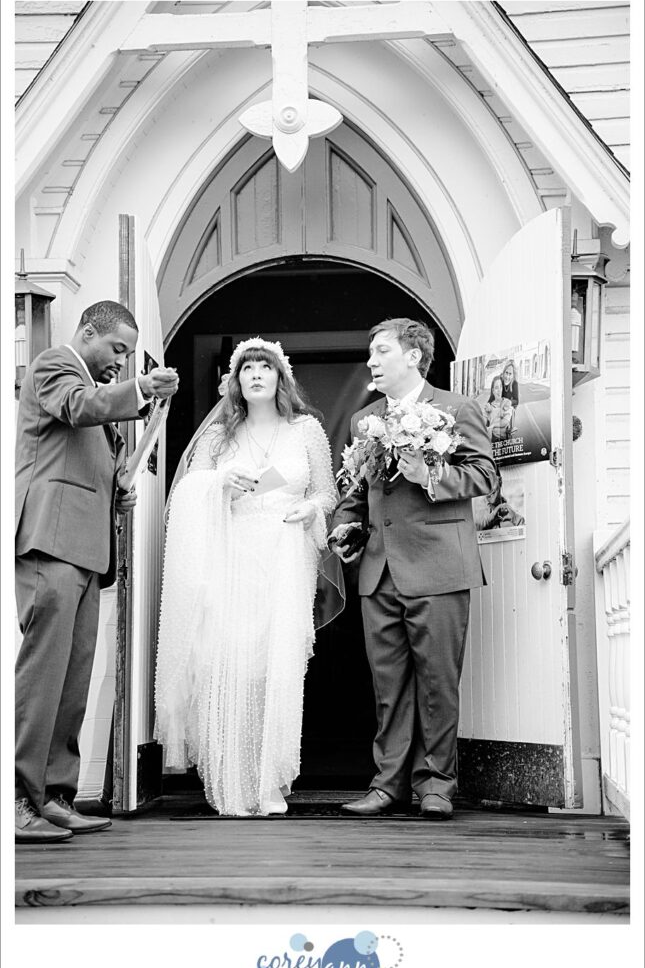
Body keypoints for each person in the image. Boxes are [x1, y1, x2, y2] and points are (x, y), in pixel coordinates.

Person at [154, 337, 343, 817]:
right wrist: (219, 482)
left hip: (284, 558)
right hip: (232, 558)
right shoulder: (221, 435)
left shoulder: (307, 431)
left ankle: (269, 781)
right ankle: (231, 778)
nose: (256, 373)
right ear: (235, 381)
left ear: (282, 378)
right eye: (247, 368)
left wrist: (310, 510)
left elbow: (327, 494)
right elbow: (184, 494)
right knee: (232, 664)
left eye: (266, 366)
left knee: (275, 670)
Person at [15, 299, 179, 843]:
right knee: (41, 678)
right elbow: (79, 406)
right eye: (118, 349)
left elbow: (84, 460)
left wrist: (118, 495)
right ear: (88, 332)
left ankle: (56, 797)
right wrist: (143, 390)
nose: (122, 362)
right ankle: (17, 800)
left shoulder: (95, 398)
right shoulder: (53, 367)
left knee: (72, 682)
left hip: (88, 550)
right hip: (52, 543)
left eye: (129, 355)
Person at [329, 317, 497, 820]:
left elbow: (485, 475)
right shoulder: (365, 421)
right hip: (379, 572)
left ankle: (437, 786)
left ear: (414, 355)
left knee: (438, 684)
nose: (371, 362)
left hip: (440, 566)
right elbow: (358, 490)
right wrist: (346, 525)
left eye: (380, 351)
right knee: (389, 688)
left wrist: (432, 474)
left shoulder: (457, 408)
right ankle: (388, 785)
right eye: (371, 352)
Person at [483, 375, 514, 442]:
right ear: (493, 391)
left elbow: (505, 422)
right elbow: (483, 421)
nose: (499, 390)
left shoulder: (507, 403)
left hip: (502, 439)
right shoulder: (489, 406)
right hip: (491, 438)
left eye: (500, 387)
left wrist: (493, 425)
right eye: (496, 388)